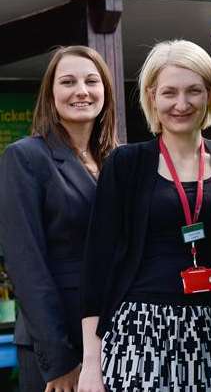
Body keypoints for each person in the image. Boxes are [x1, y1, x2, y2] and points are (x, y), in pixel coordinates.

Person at [78, 40, 211, 392]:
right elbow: (97, 263)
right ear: (152, 96)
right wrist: (92, 361)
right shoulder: (126, 164)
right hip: (140, 331)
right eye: (169, 92)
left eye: (193, 91)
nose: (181, 104)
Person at [0, 46, 118, 392]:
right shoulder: (25, 157)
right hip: (58, 342)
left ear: (105, 92)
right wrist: (60, 361)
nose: (81, 90)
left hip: (116, 335)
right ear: (51, 97)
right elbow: (26, 264)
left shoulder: (116, 160)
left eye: (91, 81)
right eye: (68, 82)